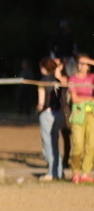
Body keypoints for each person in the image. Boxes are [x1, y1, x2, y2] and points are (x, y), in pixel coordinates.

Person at [66, 54, 94, 183]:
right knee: (78, 145)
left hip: (91, 115)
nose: (81, 66)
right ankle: (76, 172)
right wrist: (89, 99)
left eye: (84, 63)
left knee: (91, 145)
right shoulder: (72, 79)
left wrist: (90, 61)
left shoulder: (91, 78)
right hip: (78, 115)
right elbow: (74, 98)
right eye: (80, 63)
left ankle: (86, 173)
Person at [36, 57, 65, 180]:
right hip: (58, 114)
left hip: (46, 114)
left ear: (43, 68)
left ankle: (51, 172)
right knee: (55, 144)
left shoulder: (42, 82)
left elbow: (41, 103)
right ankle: (59, 172)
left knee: (48, 144)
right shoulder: (58, 81)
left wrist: (37, 110)